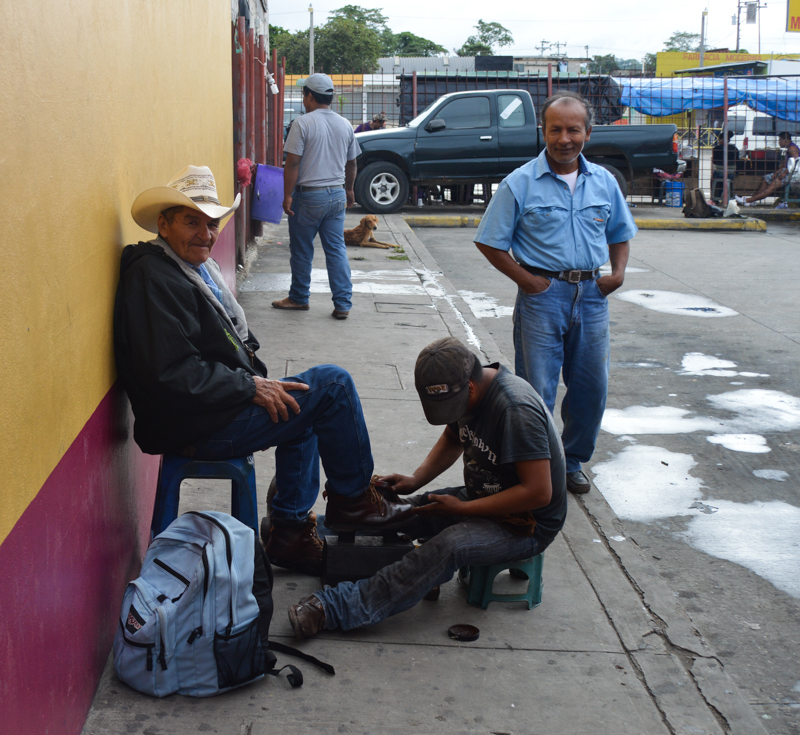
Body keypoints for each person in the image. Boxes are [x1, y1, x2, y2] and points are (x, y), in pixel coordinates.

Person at [114, 165, 415, 576]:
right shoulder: (153, 278)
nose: (206, 234)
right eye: (191, 222)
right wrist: (248, 386)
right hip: (192, 426)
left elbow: (218, 346)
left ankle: (291, 532)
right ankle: (354, 501)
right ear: (163, 225)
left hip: (207, 409)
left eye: (212, 224)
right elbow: (171, 375)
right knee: (333, 385)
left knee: (300, 399)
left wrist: (255, 382)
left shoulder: (184, 268)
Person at [286, 337, 567, 639]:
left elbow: (539, 492)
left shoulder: (515, 409)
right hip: (483, 496)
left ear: (470, 388)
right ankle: (298, 536)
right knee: (399, 510)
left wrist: (464, 509)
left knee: (448, 546)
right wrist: (415, 480)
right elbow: (453, 438)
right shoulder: (466, 388)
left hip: (525, 524)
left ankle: (336, 608)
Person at [473, 91, 637, 496]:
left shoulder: (604, 182)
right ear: (542, 132)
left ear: (588, 133)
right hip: (542, 299)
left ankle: (572, 462)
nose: (565, 139)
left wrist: (617, 273)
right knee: (536, 392)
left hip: (593, 297)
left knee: (591, 388)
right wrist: (527, 281)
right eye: (556, 130)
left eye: (573, 130)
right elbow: (489, 241)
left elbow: (619, 233)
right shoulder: (520, 183)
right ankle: (538, 468)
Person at [272, 73, 360, 320]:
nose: (303, 100)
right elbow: (352, 163)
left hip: (309, 197)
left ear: (310, 96)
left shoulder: (302, 123)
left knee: (302, 250)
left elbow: (292, 163)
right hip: (336, 195)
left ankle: (299, 298)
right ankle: (343, 303)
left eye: (304, 95)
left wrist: (287, 194)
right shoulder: (344, 124)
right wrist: (349, 189)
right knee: (336, 249)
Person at [736, 132, 800, 207]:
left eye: (780, 140)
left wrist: (785, 173)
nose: (779, 142)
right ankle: (753, 200)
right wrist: (776, 173)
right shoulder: (789, 148)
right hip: (786, 171)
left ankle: (747, 200)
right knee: (765, 178)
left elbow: (796, 162)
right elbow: (785, 165)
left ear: (785, 140)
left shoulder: (792, 148)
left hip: (792, 174)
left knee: (772, 186)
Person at [711, 130, 739, 201]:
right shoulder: (735, 149)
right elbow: (737, 160)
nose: (718, 141)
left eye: (719, 139)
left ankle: (715, 197)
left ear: (722, 139)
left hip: (719, 173)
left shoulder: (716, 149)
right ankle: (731, 196)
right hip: (731, 174)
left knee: (715, 177)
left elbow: (714, 161)